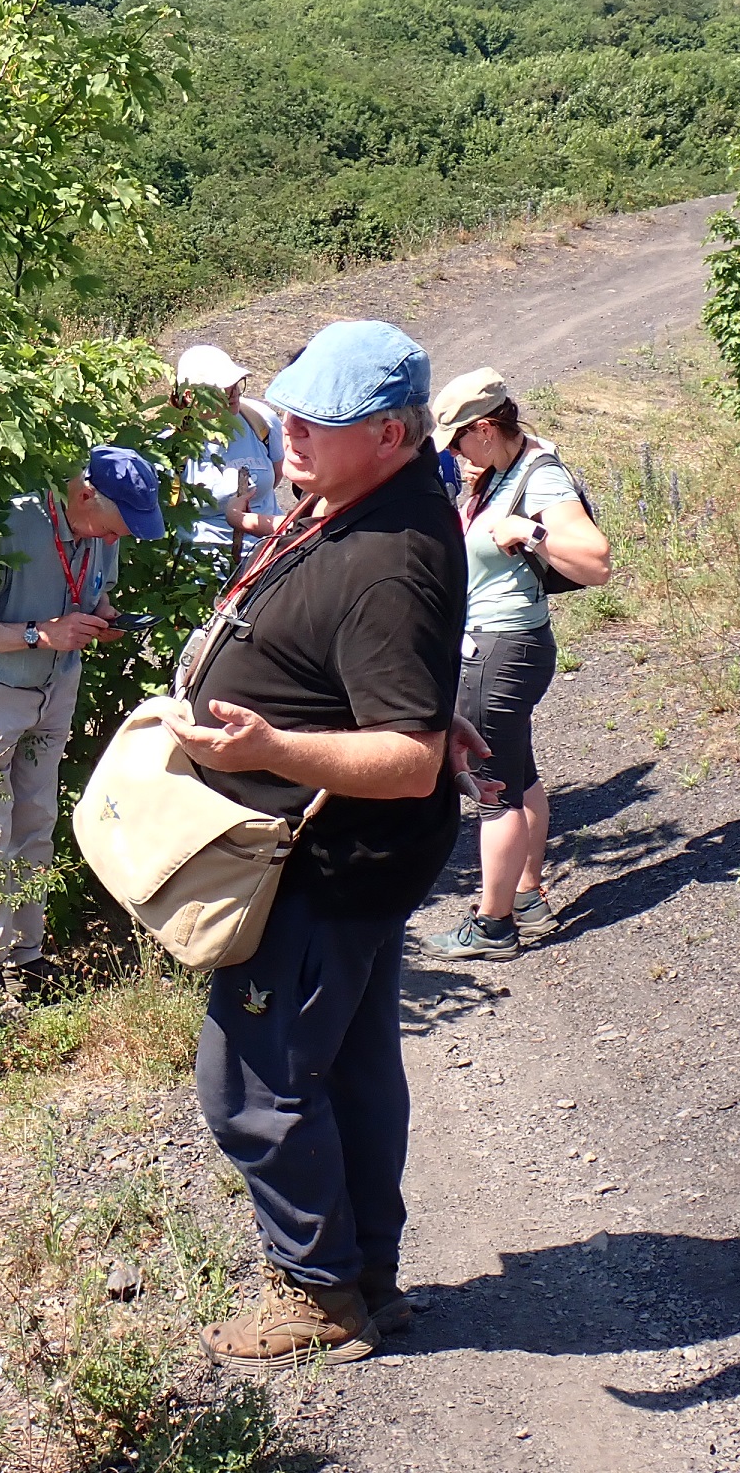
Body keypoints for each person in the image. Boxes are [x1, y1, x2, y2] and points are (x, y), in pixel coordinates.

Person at [160, 319, 475, 1366]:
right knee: (347, 1069)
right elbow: (403, 705)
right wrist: (417, 705)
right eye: (290, 406)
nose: (288, 430)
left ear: (390, 434)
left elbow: (413, 763)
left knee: (252, 1084)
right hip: (349, 859)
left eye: (319, 420)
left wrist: (273, 745)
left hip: (325, 864)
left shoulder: (391, 557)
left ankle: (319, 1294)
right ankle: (366, 1276)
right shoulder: (363, 498)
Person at [0, 446, 166, 1019]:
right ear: (85, 494)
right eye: (114, 529)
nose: (114, 543)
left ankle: (26, 955)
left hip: (54, 687)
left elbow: (95, 591)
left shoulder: (97, 532)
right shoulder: (6, 523)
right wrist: (42, 634)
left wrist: (103, 620)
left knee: (36, 819)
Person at [423, 367, 612, 960]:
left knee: (492, 790)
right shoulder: (506, 470)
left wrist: (525, 530)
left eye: (457, 440)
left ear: (483, 428)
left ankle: (493, 924)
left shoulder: (540, 478)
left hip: (499, 650)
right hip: (506, 646)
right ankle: (526, 896)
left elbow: (596, 560)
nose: (454, 453)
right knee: (520, 772)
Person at [174, 344, 284, 559]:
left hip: (267, 556)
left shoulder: (260, 420)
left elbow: (277, 474)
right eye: (223, 386)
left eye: (235, 383)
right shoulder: (172, 445)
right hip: (201, 565)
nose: (234, 391)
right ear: (189, 395)